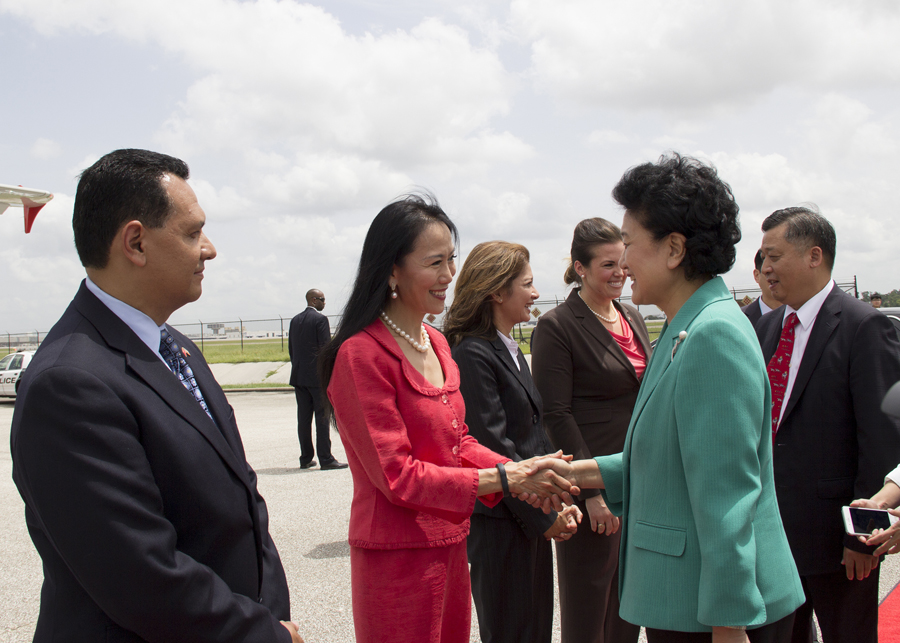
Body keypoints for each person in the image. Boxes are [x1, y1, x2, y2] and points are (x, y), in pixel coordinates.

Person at [10, 149, 303, 642]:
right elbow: (140, 577)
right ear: (136, 242)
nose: (208, 249)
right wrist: (266, 635)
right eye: (192, 233)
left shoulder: (178, 349)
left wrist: (270, 613)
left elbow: (241, 506)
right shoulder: (69, 384)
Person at [523, 154, 805, 643]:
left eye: (630, 244)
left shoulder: (712, 335)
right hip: (689, 599)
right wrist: (577, 474)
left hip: (714, 611)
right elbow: (667, 460)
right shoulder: (685, 325)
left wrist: (728, 624)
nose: (625, 262)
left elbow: (727, 496)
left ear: (674, 248)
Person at [318, 194, 576, 643]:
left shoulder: (436, 344)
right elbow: (397, 476)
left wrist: (518, 470)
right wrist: (506, 480)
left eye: (451, 260)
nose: (449, 276)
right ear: (392, 270)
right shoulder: (361, 355)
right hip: (397, 558)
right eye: (434, 262)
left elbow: (460, 443)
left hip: (451, 546)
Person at [754, 206, 900, 643]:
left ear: (814, 256)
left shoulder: (864, 326)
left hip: (836, 540)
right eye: (762, 257)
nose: (765, 268)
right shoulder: (763, 329)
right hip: (771, 533)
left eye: (774, 255)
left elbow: (882, 439)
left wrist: (862, 534)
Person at [444, 241, 582, 643]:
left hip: (527, 517)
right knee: (513, 631)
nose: (536, 294)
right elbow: (494, 446)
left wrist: (557, 502)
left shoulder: (508, 347)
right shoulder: (473, 353)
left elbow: (531, 437)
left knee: (534, 628)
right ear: (496, 292)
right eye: (528, 284)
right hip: (503, 525)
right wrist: (545, 516)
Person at [531, 218, 649, 643]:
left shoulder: (631, 314)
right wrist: (591, 493)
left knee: (629, 603)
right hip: (593, 483)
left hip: (637, 479)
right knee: (589, 604)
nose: (620, 272)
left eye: (623, 262)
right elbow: (557, 414)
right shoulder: (557, 326)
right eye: (607, 264)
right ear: (579, 268)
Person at [289, 288, 347, 470]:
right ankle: (326, 458)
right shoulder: (320, 320)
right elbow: (325, 350)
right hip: (316, 377)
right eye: (322, 299)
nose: (324, 303)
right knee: (322, 417)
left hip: (298, 376)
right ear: (313, 300)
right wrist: (329, 374)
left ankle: (305, 458)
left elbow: (292, 349)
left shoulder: (295, 320)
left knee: (303, 419)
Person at [742, 249, 781, 324]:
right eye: (768, 272)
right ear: (757, 275)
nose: (776, 277)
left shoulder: (801, 316)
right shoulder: (740, 318)